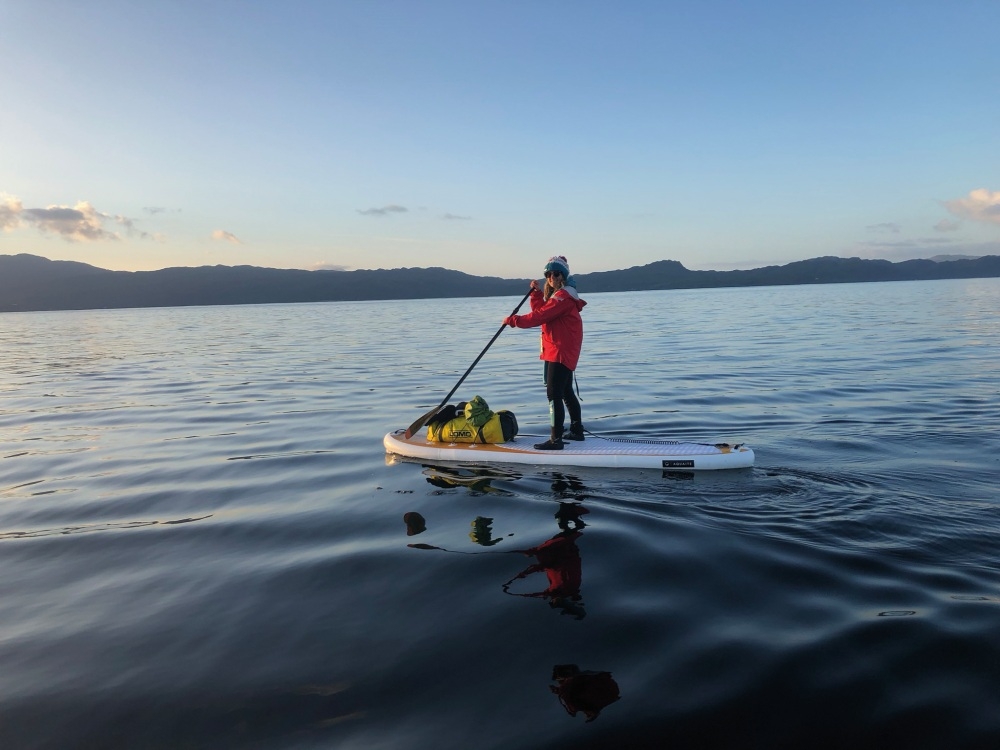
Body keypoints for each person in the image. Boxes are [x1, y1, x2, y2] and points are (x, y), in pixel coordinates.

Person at [503, 255, 586, 450]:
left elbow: (539, 316)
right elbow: (542, 310)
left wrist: (514, 320)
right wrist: (535, 294)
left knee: (553, 393)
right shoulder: (559, 296)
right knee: (565, 391)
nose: (552, 277)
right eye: (548, 274)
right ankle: (576, 430)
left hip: (560, 350)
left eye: (556, 273)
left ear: (563, 276)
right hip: (555, 349)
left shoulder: (563, 297)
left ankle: (555, 440)